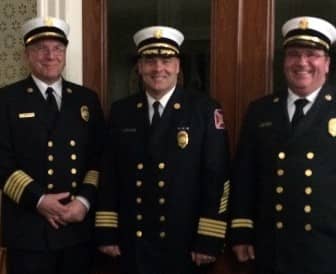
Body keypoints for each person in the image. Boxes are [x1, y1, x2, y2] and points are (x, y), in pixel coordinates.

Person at [94, 25, 230, 274]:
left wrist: (209, 238)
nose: (158, 69)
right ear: (140, 67)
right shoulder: (122, 111)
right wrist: (107, 230)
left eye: (166, 60)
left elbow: (217, 177)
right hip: (132, 241)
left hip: (186, 242)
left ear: (178, 66)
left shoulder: (204, 109)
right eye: (150, 60)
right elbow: (109, 174)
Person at [230, 16, 336, 274]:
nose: (302, 62)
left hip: (327, 247)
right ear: (284, 62)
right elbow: (245, 176)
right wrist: (241, 232)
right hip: (271, 246)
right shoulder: (260, 110)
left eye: (312, 54)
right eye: (294, 54)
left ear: (327, 63)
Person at [0, 16, 105, 274]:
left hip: (77, 229)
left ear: (65, 53)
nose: (50, 55)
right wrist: (39, 200)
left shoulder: (86, 100)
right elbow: (1, 159)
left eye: (57, 48)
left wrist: (83, 201)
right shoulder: (6, 99)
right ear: (27, 54)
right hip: (28, 230)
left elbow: (99, 158)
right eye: (41, 49)